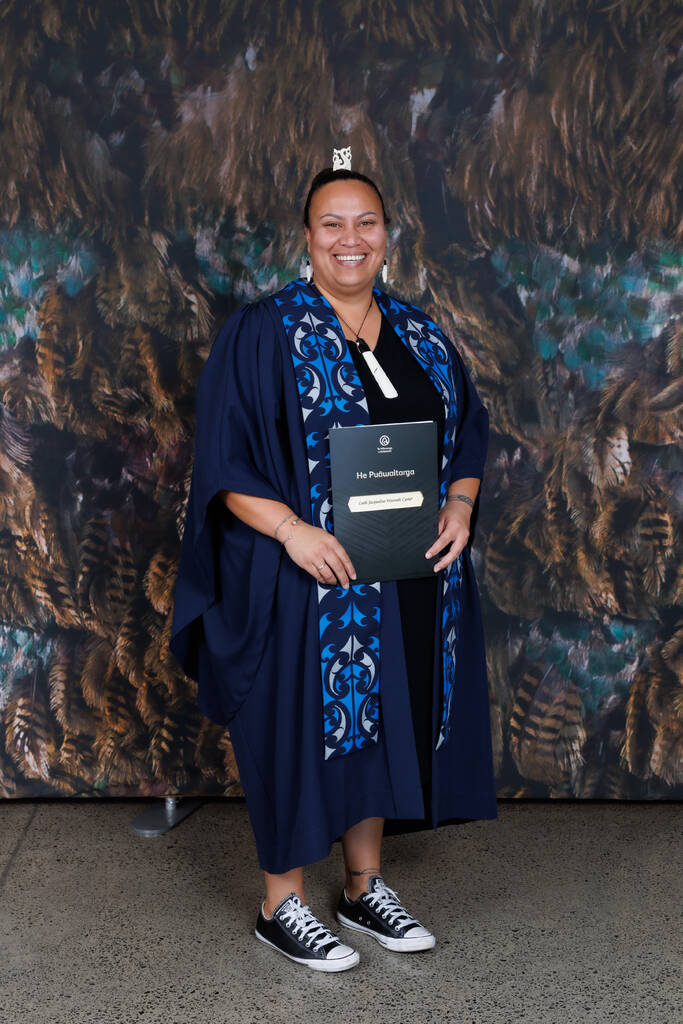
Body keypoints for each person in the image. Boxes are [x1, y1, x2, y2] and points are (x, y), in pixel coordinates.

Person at [169, 164, 498, 972]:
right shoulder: (263, 331)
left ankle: (361, 887)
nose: (350, 240)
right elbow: (223, 459)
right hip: (301, 575)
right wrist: (291, 533)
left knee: (382, 724)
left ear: (388, 234)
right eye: (331, 225)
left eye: (366, 224)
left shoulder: (420, 331)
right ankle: (281, 903)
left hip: (404, 575)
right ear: (306, 237)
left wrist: (458, 505)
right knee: (295, 732)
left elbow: (469, 434)